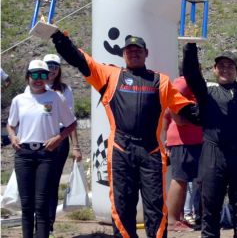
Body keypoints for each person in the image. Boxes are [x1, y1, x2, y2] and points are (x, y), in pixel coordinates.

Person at [50, 31, 198, 238]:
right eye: (130, 50)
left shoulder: (161, 81)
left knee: (155, 206)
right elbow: (80, 60)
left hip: (151, 151)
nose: (134, 53)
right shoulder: (110, 75)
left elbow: (186, 109)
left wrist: (213, 113)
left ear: (146, 53)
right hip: (121, 150)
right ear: (123, 55)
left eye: (138, 50)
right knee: (122, 206)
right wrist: (59, 38)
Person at [181, 44, 237, 238]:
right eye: (221, 66)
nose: (225, 69)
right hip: (213, 155)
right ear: (214, 70)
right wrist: (190, 48)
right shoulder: (206, 91)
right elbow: (191, 75)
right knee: (210, 208)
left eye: (230, 66)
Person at [7, 59, 77, 238]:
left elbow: (71, 123)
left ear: (48, 77)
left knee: (41, 203)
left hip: (46, 154)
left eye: (43, 75)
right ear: (27, 77)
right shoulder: (18, 100)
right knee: (27, 204)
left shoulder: (55, 97)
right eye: (35, 75)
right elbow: (11, 124)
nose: (39, 79)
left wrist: (58, 138)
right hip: (24, 155)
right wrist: (12, 137)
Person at [42, 53, 83, 237]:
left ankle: (48, 222)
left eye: (55, 66)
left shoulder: (64, 90)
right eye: (49, 65)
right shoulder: (36, 87)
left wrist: (76, 146)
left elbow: (70, 120)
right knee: (38, 182)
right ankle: (38, 219)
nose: (52, 69)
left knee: (52, 181)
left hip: (59, 138)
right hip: (39, 138)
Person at [161, 75, 204, 232]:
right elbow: (171, 100)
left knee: (202, 180)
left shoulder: (195, 83)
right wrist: (180, 120)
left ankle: (201, 217)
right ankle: (172, 220)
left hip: (196, 139)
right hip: (184, 140)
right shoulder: (184, 81)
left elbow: (166, 116)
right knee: (180, 179)